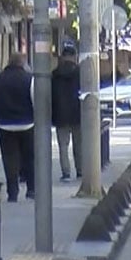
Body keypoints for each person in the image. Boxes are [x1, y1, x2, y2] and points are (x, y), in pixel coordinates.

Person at [0, 52, 35, 202]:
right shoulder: (30, 79)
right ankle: (32, 189)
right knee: (30, 158)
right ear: (23, 63)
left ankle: (12, 192)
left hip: (5, 125)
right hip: (27, 124)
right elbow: (35, 101)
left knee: (9, 160)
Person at [50, 40, 82, 182]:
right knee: (79, 145)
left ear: (62, 56)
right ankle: (80, 171)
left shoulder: (54, 75)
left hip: (60, 116)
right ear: (74, 56)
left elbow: (50, 95)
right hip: (77, 115)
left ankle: (66, 173)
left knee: (63, 146)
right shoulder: (80, 73)